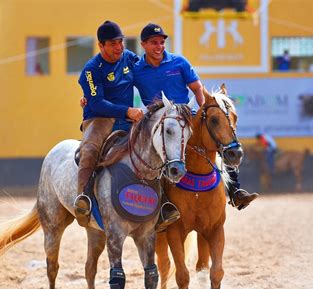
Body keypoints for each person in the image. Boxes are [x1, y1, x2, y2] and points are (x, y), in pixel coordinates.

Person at [133, 23, 258, 211]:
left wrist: (204, 111)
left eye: (161, 42)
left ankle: (235, 190)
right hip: (157, 124)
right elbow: (120, 87)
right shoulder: (136, 70)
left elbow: (197, 88)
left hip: (186, 118)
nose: (159, 46)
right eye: (154, 43)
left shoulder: (179, 62)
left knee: (218, 138)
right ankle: (160, 204)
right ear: (143, 44)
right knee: (151, 155)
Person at [74, 21, 144, 226]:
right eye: (113, 43)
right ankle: (83, 197)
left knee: (156, 144)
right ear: (101, 46)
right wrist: (126, 111)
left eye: (120, 42)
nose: (119, 47)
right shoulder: (91, 70)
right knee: (90, 149)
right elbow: (97, 103)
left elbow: (146, 73)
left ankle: (164, 202)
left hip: (129, 117)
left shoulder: (129, 58)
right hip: (99, 118)